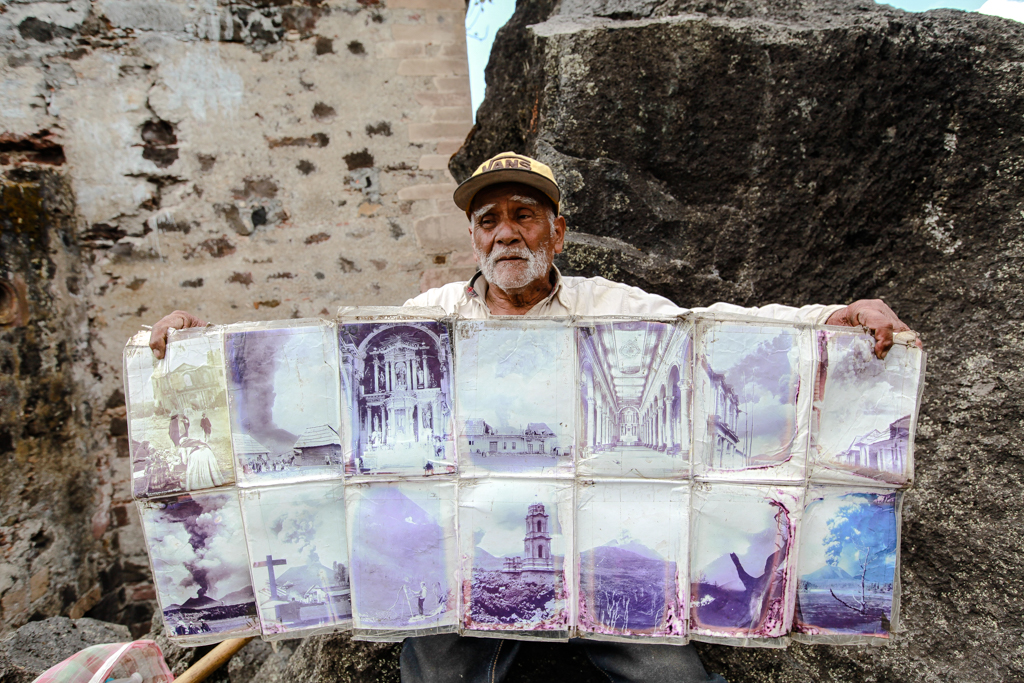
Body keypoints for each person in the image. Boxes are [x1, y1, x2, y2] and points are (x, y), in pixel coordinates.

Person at [147, 152, 918, 683]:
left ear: (557, 230)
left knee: (664, 667)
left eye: (524, 214)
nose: (505, 232)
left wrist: (836, 317)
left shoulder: (609, 307)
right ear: (474, 236)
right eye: (489, 219)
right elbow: (311, 358)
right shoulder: (429, 317)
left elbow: (722, 330)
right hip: (467, 555)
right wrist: (195, 347)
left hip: (595, 540)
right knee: (437, 665)